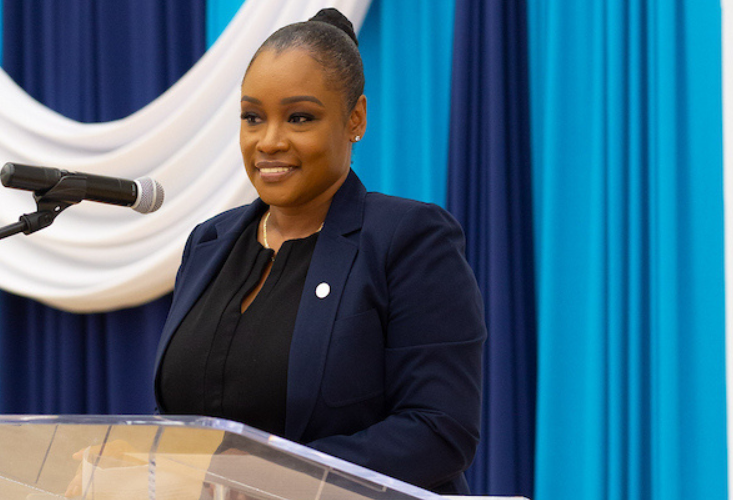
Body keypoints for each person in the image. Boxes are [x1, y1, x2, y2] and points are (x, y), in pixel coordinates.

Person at [153, 8, 486, 495]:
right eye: (252, 117)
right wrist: (129, 461)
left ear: (355, 119)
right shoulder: (210, 243)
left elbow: (439, 431)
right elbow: (180, 414)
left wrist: (262, 476)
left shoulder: (408, 239)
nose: (269, 141)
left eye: (300, 118)